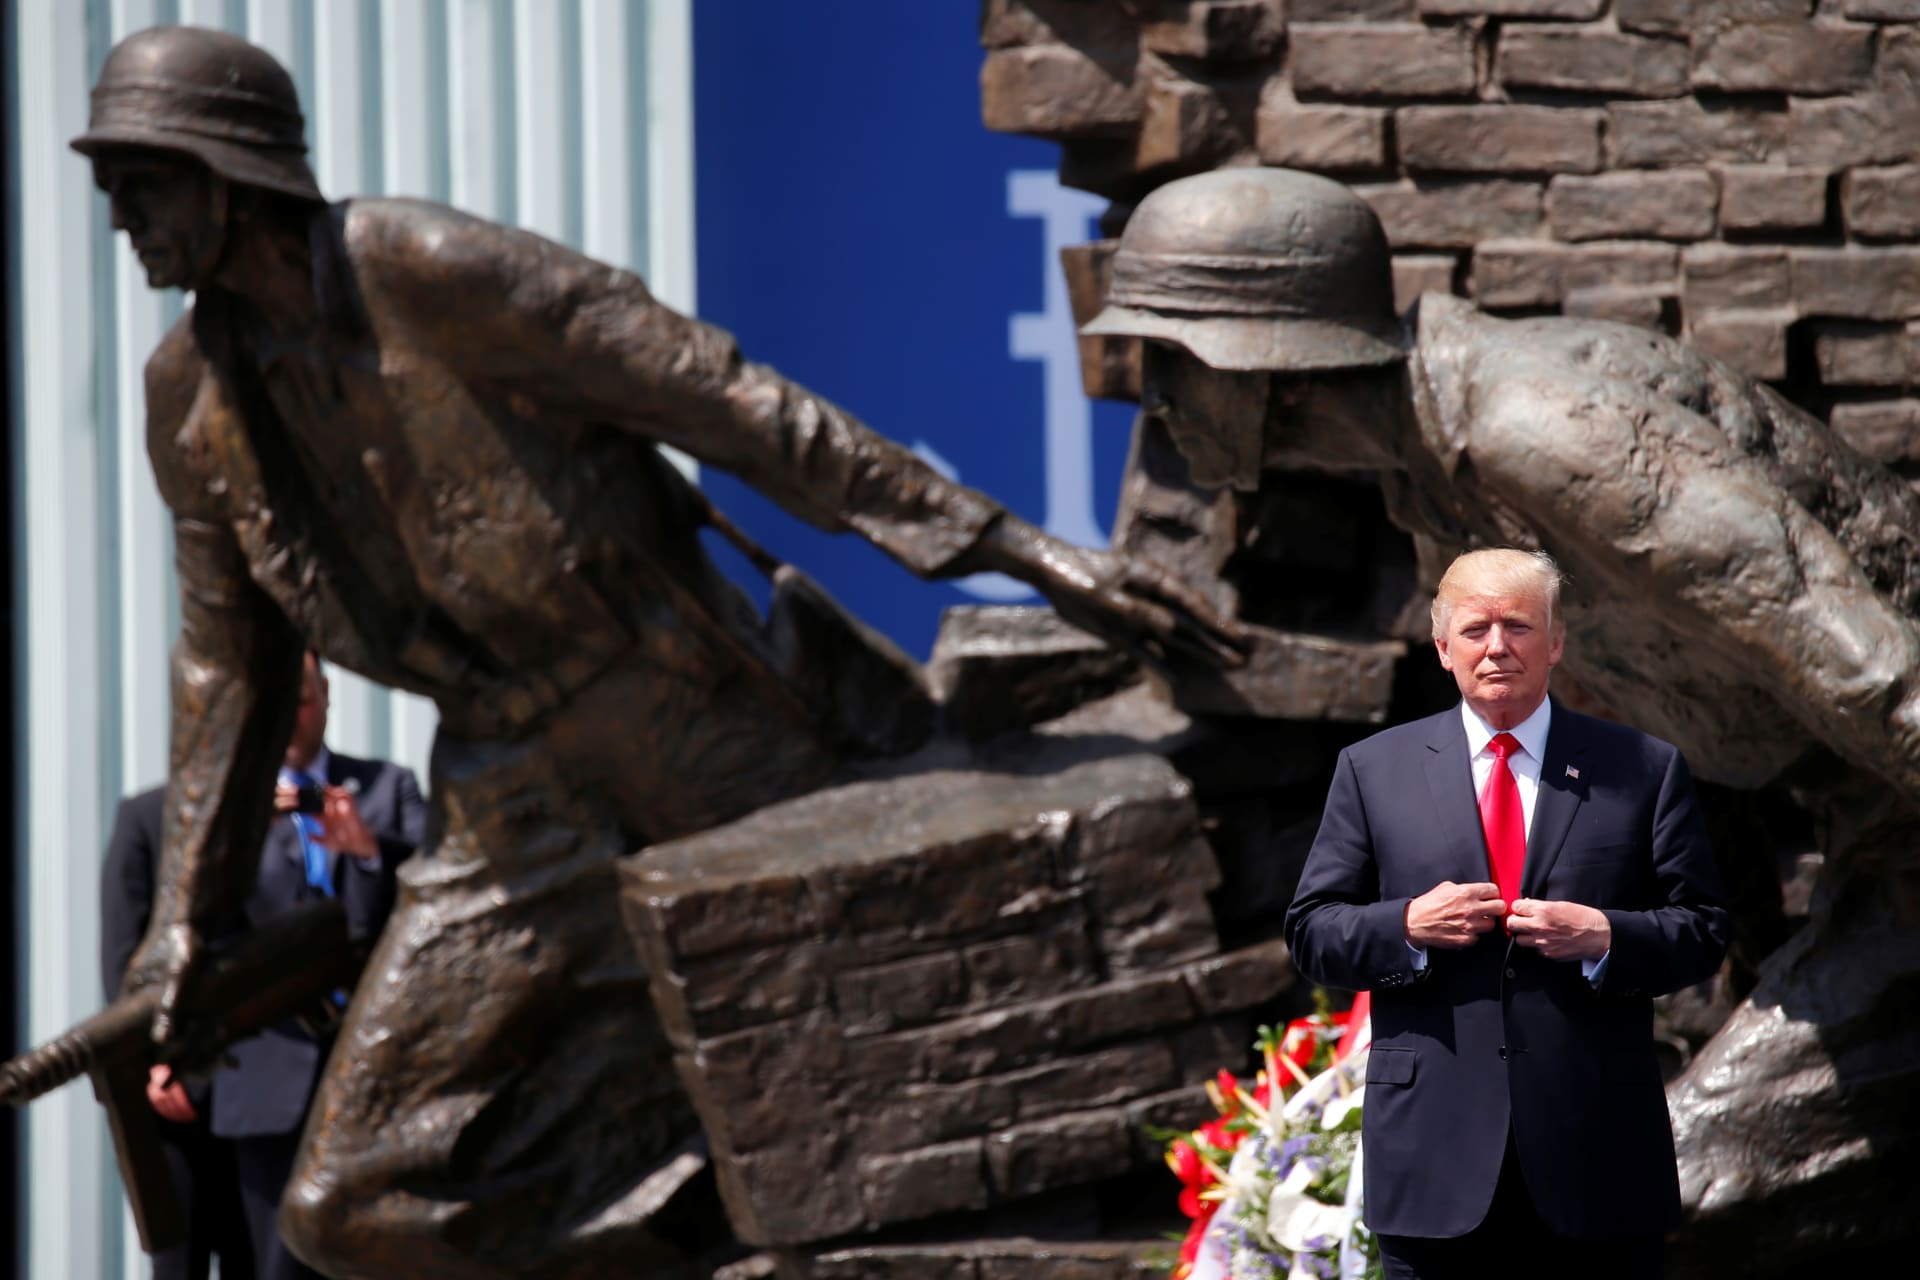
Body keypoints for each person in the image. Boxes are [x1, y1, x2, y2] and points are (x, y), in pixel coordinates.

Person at [71, 26, 1241, 1278]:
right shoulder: (187, 398)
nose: (121, 217)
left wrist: (1010, 545)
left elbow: (730, 401)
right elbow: (225, 667)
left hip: (689, 721)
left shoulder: (424, 269)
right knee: (347, 1203)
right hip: (507, 793)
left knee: (858, 1048)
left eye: (140, 182)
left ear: (226, 173)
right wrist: (179, 931)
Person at [1082, 166, 1920, 812]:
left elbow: (1874, 668)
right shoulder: (1433, 488)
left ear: (1269, 362)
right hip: (1861, 829)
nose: (1155, 400)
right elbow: (1628, 731)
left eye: (1175, 358)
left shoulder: (1535, 432)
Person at [1284, 548, 1729, 1275]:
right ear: (1442, 647)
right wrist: (1405, 927)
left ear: (1555, 642)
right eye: (1476, 629)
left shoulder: (1643, 767)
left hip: (1596, 1159)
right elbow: (1311, 932)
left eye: (1519, 626)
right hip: (1434, 1163)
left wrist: (1606, 935)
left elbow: (1705, 929)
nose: (1497, 646)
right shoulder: (1372, 770)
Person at [215, 652, 425, 1280]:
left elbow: (435, 885)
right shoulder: (231, 810)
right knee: (274, 1262)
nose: (292, 717)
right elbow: (206, 926)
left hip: (374, 1069)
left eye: (301, 700)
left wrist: (366, 852)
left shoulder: (389, 788)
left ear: (327, 697)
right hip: (270, 1075)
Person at [101, 789, 256, 1280]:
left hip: (263, 1094)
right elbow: (123, 962)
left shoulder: (265, 815)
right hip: (170, 1095)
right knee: (177, 1263)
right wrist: (157, 1062)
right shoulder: (146, 817)